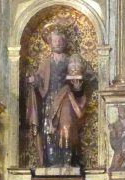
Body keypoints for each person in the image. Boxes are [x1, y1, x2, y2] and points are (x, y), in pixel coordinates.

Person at [26, 30, 86, 168]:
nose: (57, 43)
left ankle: (67, 161)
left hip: (66, 98)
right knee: (48, 130)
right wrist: (33, 80)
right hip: (49, 100)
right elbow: (39, 80)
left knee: (66, 127)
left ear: (64, 42)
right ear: (50, 43)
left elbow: (79, 82)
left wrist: (77, 87)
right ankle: (52, 163)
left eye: (60, 40)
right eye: (55, 41)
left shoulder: (70, 61)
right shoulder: (46, 63)